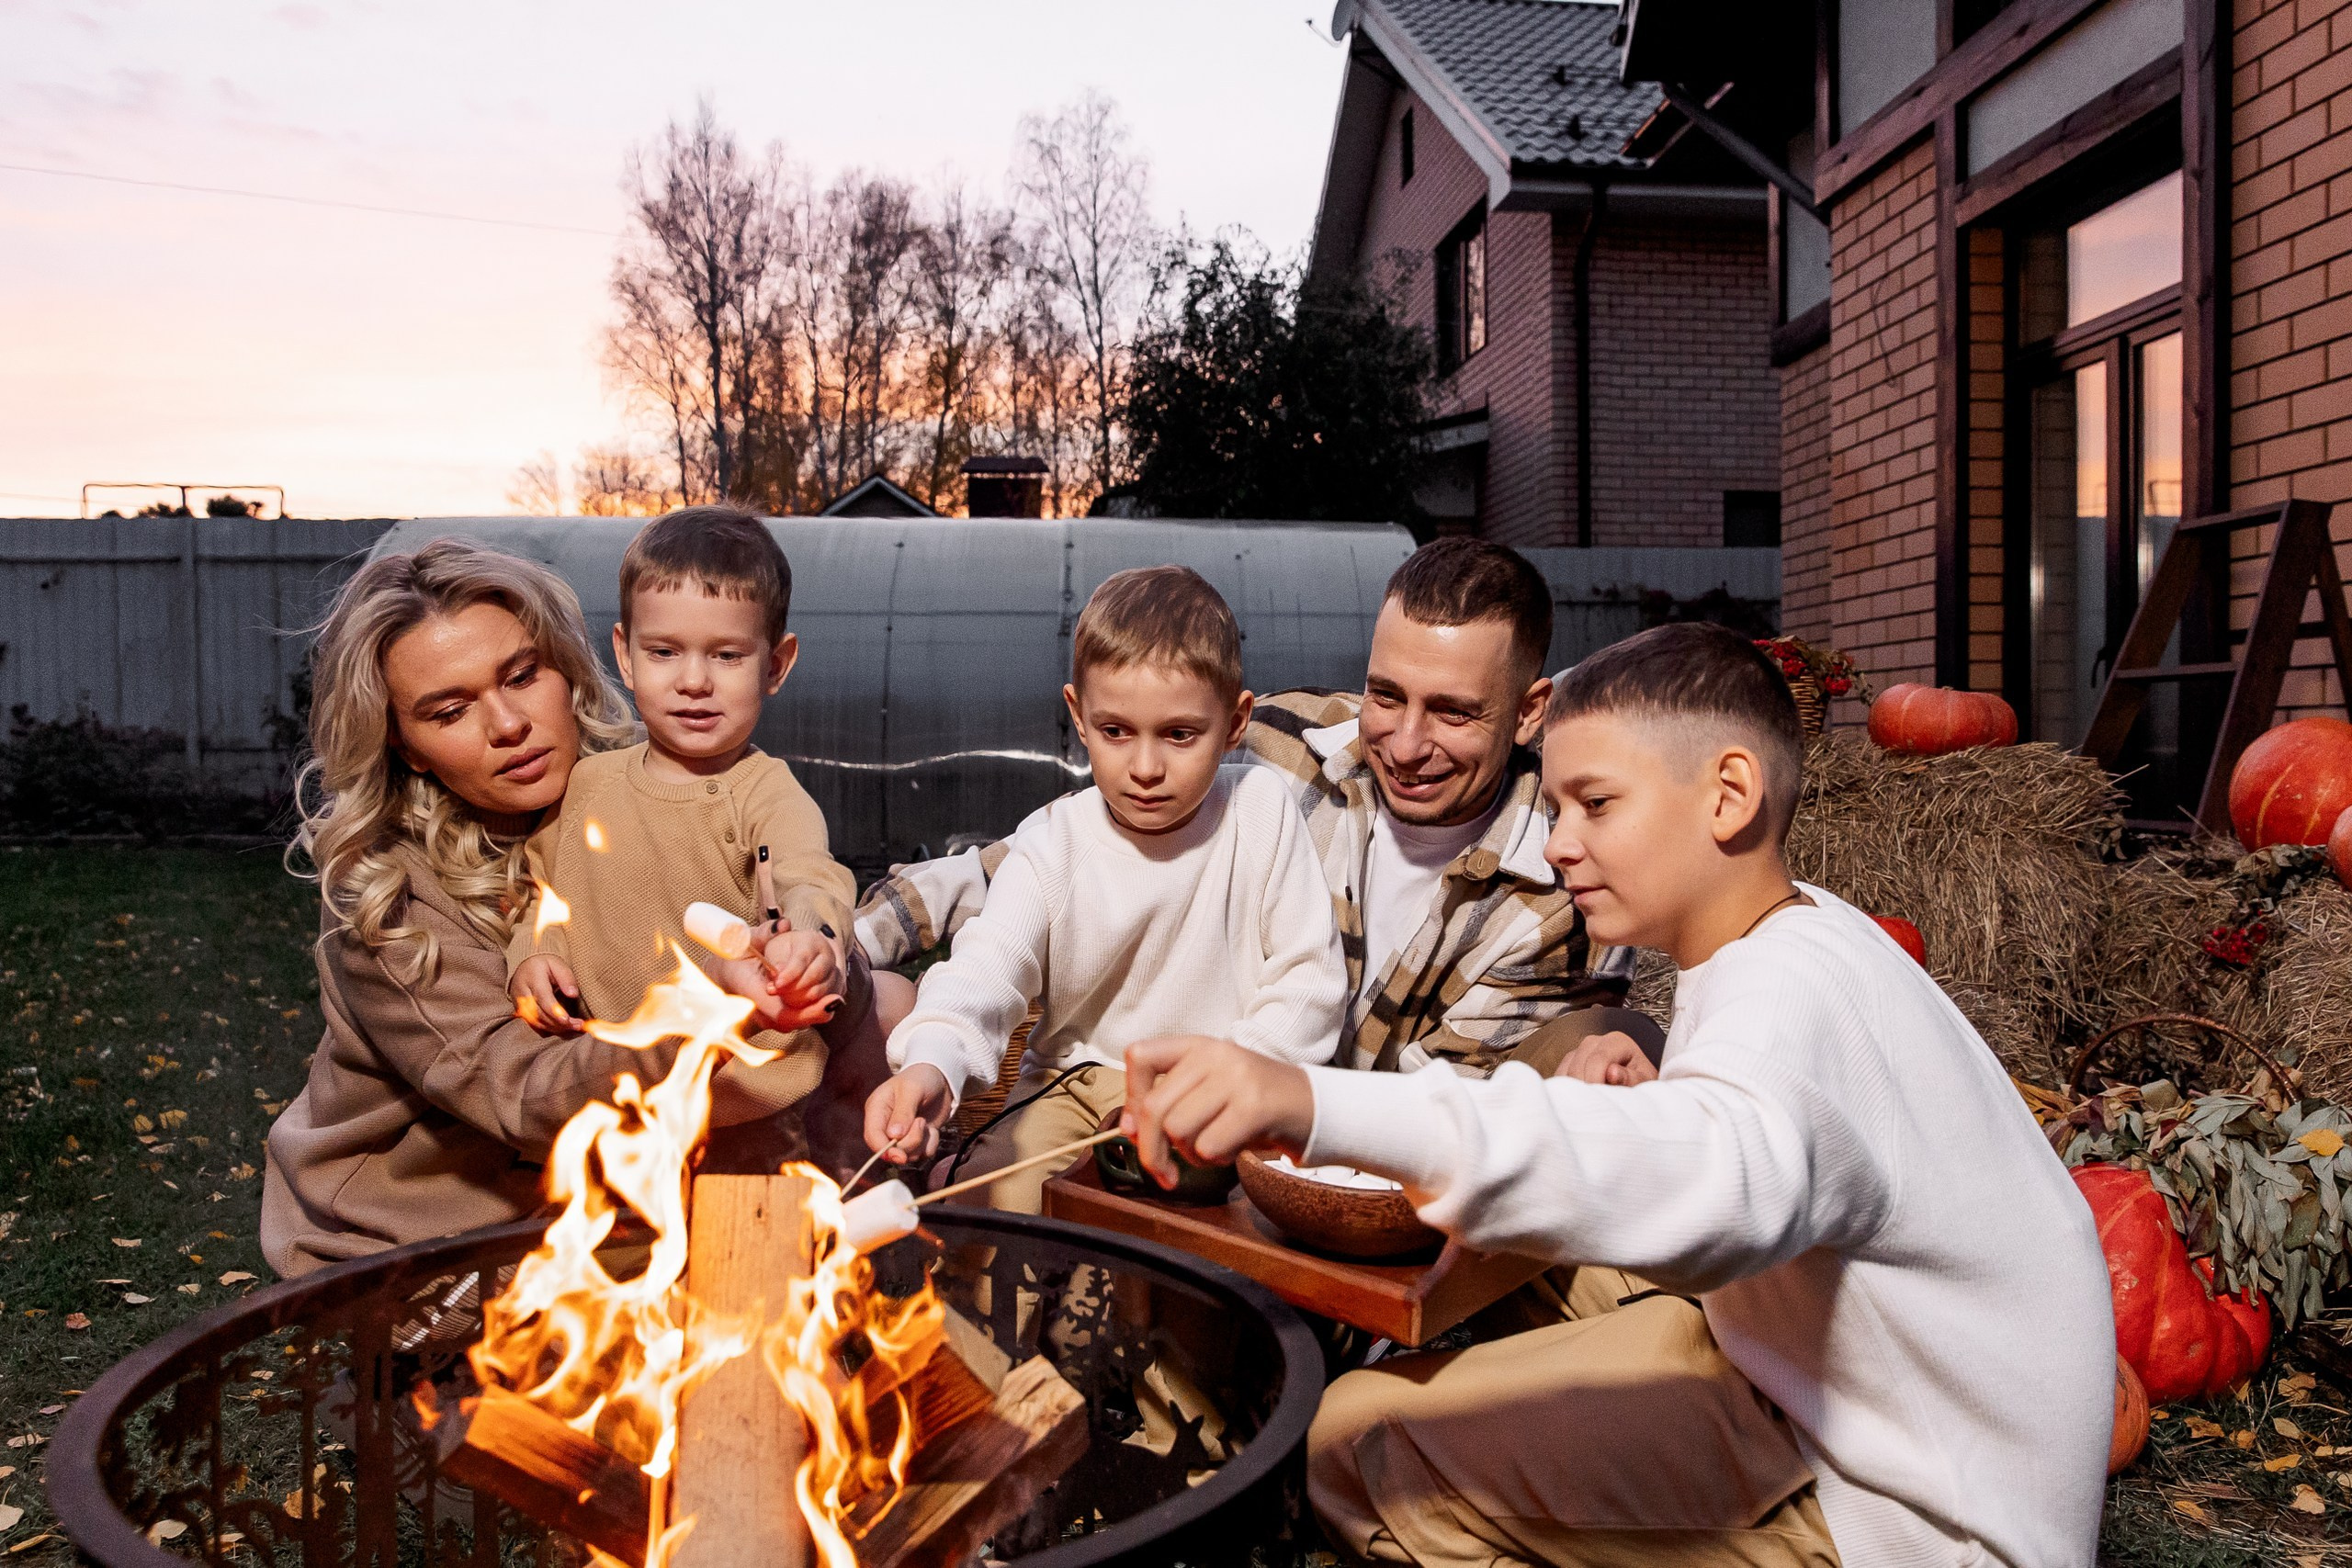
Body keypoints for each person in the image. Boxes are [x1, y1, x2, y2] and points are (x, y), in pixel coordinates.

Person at [1116, 621, 2115, 1568]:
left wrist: (1311, 1101)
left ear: (1727, 796)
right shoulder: (1798, 932)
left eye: (1596, 805)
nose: (1558, 844)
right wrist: (1663, 1092)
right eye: (1554, 810)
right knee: (1523, 1253)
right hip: (1831, 1374)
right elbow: (1773, 1133)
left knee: (1353, 1445)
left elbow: (1729, 1175)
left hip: (1909, 1508)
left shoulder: (1786, 989)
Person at [854, 537, 1642, 1102]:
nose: (1404, 744)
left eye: (1453, 712)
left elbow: (1444, 1108)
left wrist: (1245, 1097)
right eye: (1387, 693)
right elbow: (1040, 860)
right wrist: (841, 941)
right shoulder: (1273, 747)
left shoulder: (1562, 895)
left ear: (1529, 712)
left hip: (1338, 1172)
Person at [260, 538, 844, 1278]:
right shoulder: (386, 899)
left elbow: (788, 881)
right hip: (427, 1248)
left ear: (565, 668)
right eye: (449, 710)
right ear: (405, 745)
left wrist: (816, 945)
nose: (508, 724)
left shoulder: (618, 791)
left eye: (522, 675)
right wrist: (704, 1018)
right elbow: (525, 1093)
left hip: (610, 1196)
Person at [861, 565, 1349, 1211]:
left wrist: (1232, 1082)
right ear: (1079, 716)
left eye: (1180, 734)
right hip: (1073, 1083)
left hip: (1226, 1088)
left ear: (1235, 722)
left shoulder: (1263, 810)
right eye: (1116, 731)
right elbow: (984, 970)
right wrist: (931, 1062)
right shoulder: (1053, 841)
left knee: (1211, 1259)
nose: (1145, 768)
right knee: (993, 1216)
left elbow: (1309, 985)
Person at [506, 506, 874, 1166]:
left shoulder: (767, 792)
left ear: (776, 664)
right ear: (624, 653)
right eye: (664, 652)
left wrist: (814, 940)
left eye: (727, 655)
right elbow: (548, 891)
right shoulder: (589, 784)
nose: (695, 681)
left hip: (746, 1104)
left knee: (747, 1255)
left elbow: (809, 875)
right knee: (619, 1255)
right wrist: (532, 955)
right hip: (618, 1089)